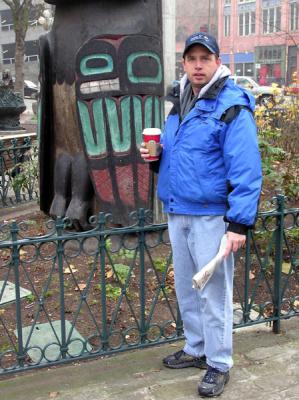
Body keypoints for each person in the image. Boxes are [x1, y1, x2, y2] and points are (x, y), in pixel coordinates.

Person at [140, 32, 262, 397]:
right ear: (184, 63)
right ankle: (196, 348)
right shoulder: (180, 100)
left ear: (217, 62)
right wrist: (157, 158)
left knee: (214, 292)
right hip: (179, 210)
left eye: (204, 58)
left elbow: (246, 167)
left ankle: (219, 362)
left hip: (212, 215)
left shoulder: (231, 103)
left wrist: (238, 223)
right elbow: (182, 154)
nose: (197, 65)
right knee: (187, 290)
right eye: (191, 58)